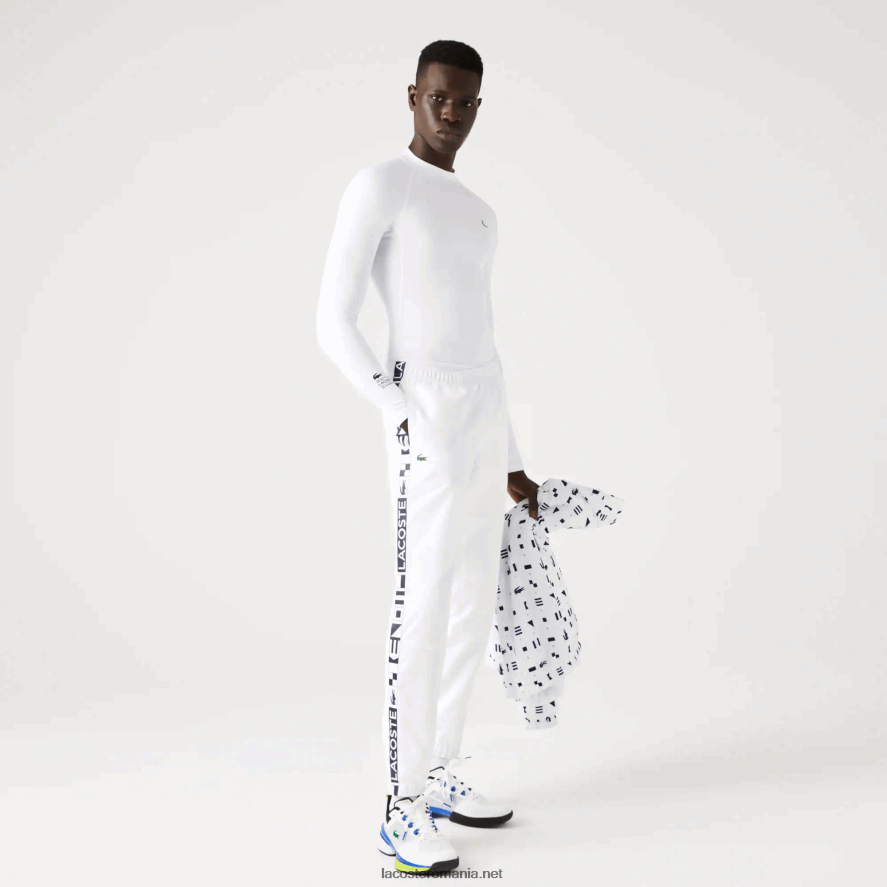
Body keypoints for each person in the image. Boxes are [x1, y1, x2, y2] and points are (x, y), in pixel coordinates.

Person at [316, 39, 540, 875]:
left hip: (480, 411)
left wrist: (510, 453)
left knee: (471, 604)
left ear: (478, 106)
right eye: (439, 96)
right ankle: (397, 804)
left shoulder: (478, 210)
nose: (452, 112)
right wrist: (398, 408)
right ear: (413, 94)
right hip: (426, 412)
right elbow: (332, 319)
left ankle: (439, 772)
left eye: (466, 101)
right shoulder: (383, 184)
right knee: (422, 605)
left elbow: (483, 336)